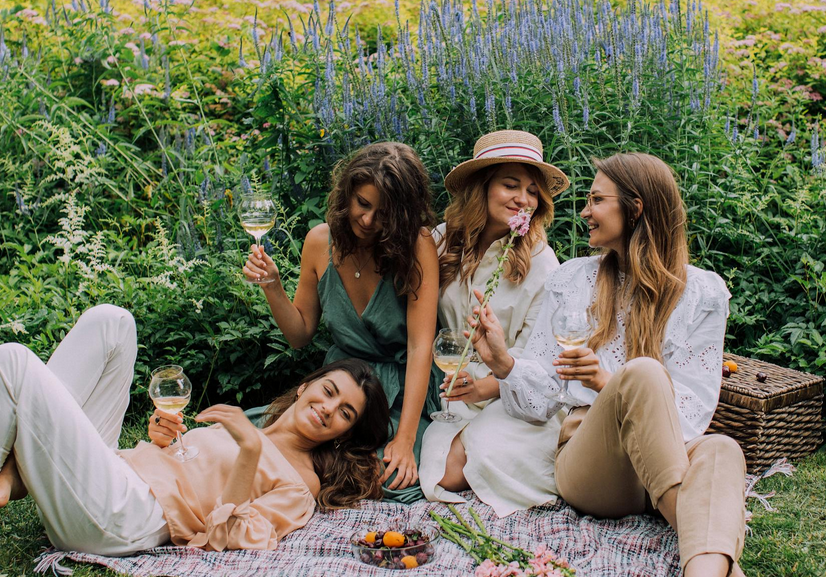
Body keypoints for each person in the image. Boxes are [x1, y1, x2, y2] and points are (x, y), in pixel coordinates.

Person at [468, 153, 747, 576]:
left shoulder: (703, 294)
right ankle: (693, 516)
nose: (585, 211)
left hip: (666, 458)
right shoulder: (571, 281)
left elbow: (695, 409)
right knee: (645, 372)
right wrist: (505, 364)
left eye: (597, 199)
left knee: (723, 448)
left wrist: (606, 380)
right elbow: (541, 401)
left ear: (635, 209)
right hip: (594, 464)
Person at [0, 305, 390, 555]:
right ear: (306, 386)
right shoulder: (250, 428)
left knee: (14, 361)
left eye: (345, 413)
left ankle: (14, 471)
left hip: (124, 514)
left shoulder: (302, 484)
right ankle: (17, 473)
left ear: (344, 433)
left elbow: (229, 539)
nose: (327, 409)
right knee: (112, 322)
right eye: (328, 391)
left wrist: (251, 452)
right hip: (111, 470)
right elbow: (188, 468)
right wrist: (161, 440)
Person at [242, 142, 441, 503]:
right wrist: (272, 286)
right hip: (337, 389)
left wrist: (406, 439)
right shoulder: (320, 241)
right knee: (245, 430)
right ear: (348, 193)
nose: (367, 221)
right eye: (362, 204)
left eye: (383, 214)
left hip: (399, 396)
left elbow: (420, 346)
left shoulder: (417, 245)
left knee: (394, 476)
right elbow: (300, 334)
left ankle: (294, 470)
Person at [419, 130, 571, 517]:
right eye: (510, 185)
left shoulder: (541, 262)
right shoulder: (441, 241)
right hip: (450, 387)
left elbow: (540, 363)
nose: (524, 199)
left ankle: (565, 470)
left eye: (534, 191)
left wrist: (483, 386)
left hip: (513, 396)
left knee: (456, 467)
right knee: (431, 463)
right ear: (481, 188)